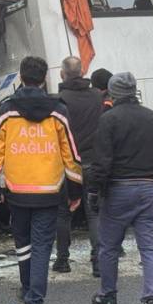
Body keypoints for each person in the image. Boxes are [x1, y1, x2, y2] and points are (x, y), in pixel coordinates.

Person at [0, 56, 82, 304]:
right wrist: (75, 190)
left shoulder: (7, 110)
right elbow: (71, 154)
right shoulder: (58, 111)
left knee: (23, 244)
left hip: (17, 190)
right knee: (41, 245)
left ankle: (27, 289)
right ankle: (35, 301)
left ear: (20, 77)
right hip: (49, 191)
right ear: (44, 79)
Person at [87, 72, 153, 304]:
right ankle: (152, 300)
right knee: (149, 248)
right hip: (150, 188)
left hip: (119, 189)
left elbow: (102, 160)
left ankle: (108, 295)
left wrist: (94, 190)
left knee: (109, 247)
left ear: (112, 93)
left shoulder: (109, 119)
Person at [53, 56, 104, 275]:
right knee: (94, 213)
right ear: (82, 72)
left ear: (62, 74)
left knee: (63, 213)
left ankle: (62, 260)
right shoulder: (97, 96)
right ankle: (98, 262)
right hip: (93, 161)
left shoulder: (59, 101)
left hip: (68, 165)